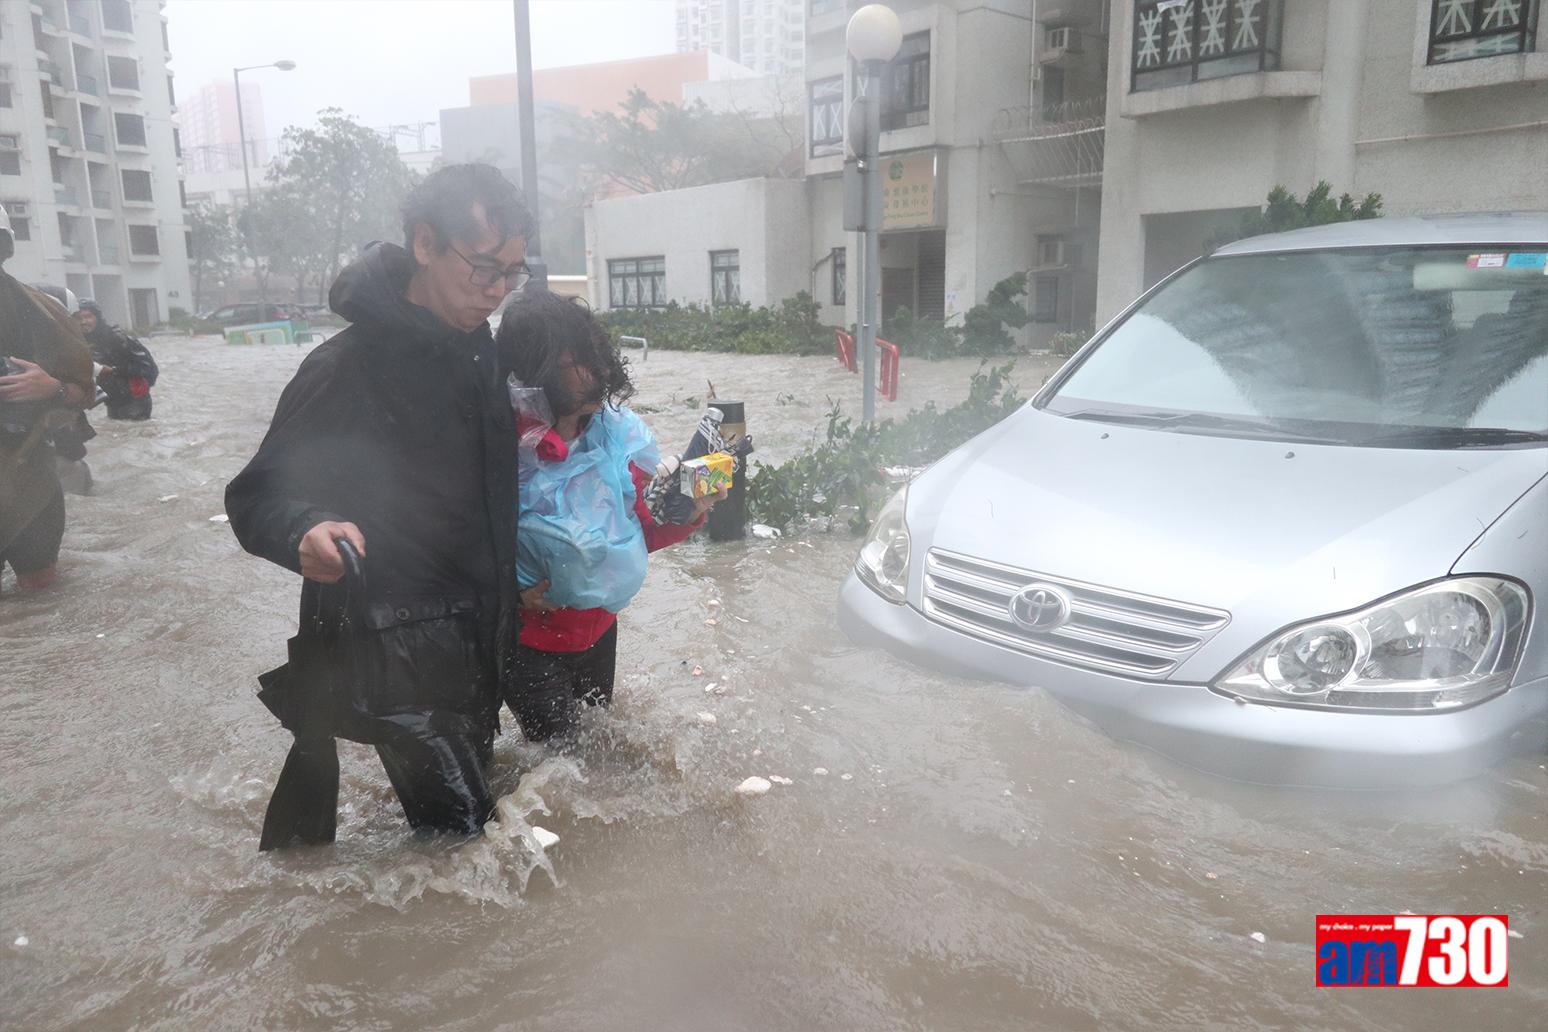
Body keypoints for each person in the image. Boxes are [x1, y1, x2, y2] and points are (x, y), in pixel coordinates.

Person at [225, 164, 533, 847]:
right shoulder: (345, 369)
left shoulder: (476, 352)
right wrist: (304, 529)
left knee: (459, 837)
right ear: (424, 244)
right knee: (470, 859)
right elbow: (257, 497)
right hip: (398, 649)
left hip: (478, 637)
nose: (496, 290)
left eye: (512, 272)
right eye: (483, 267)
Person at [497, 291, 723, 741]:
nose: (596, 372)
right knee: (559, 767)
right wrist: (510, 590)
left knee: (599, 754)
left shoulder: (612, 437)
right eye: (575, 362)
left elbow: (638, 532)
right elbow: (455, 543)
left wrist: (691, 512)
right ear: (533, 371)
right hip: (528, 646)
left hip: (598, 631)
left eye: (595, 357)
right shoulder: (496, 446)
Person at [0, 208, 95, 591]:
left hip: (30, 480)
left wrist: (52, 387)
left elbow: (84, 392)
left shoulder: (43, 311)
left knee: (42, 602)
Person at [76, 300, 157, 421]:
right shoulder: (80, 342)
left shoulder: (116, 338)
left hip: (135, 401)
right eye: (79, 318)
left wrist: (114, 371)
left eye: (88, 317)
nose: (83, 322)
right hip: (112, 401)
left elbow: (149, 368)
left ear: (97, 318)